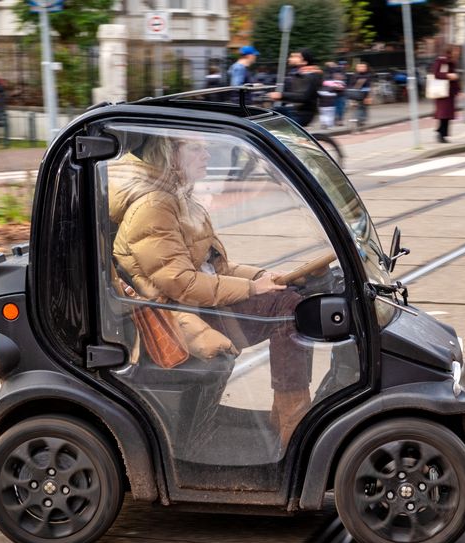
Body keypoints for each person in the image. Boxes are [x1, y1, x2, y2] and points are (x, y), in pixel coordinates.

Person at [108, 135, 313, 445]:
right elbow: (183, 284)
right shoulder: (153, 206)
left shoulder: (177, 196)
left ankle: (286, 418)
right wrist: (251, 288)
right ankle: (293, 424)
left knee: (291, 297)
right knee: (288, 309)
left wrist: (266, 277)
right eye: (195, 148)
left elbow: (214, 268)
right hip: (181, 320)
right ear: (170, 155)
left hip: (196, 307)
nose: (206, 154)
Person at [268, 49, 323, 127]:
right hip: (296, 110)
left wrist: (281, 95)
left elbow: (303, 96)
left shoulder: (310, 76)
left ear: (304, 62)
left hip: (302, 114)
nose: (290, 58)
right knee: (269, 113)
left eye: (295, 57)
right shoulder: (301, 74)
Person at [431, 47, 461, 143]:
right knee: (444, 114)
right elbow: (436, 74)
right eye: (456, 51)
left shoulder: (452, 62)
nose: (458, 53)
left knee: (447, 115)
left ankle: (441, 133)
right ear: (450, 52)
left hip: (449, 93)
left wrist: (458, 90)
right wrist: (448, 75)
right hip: (442, 92)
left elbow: (455, 80)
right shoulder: (442, 61)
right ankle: (441, 134)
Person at [347, 62, 373, 127]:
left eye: (363, 67)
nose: (362, 68)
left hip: (365, 95)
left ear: (366, 68)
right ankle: (359, 120)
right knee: (359, 108)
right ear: (356, 68)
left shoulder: (368, 75)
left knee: (364, 108)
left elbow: (369, 86)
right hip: (356, 95)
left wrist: (369, 96)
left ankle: (362, 120)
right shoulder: (354, 76)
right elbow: (350, 86)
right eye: (360, 67)